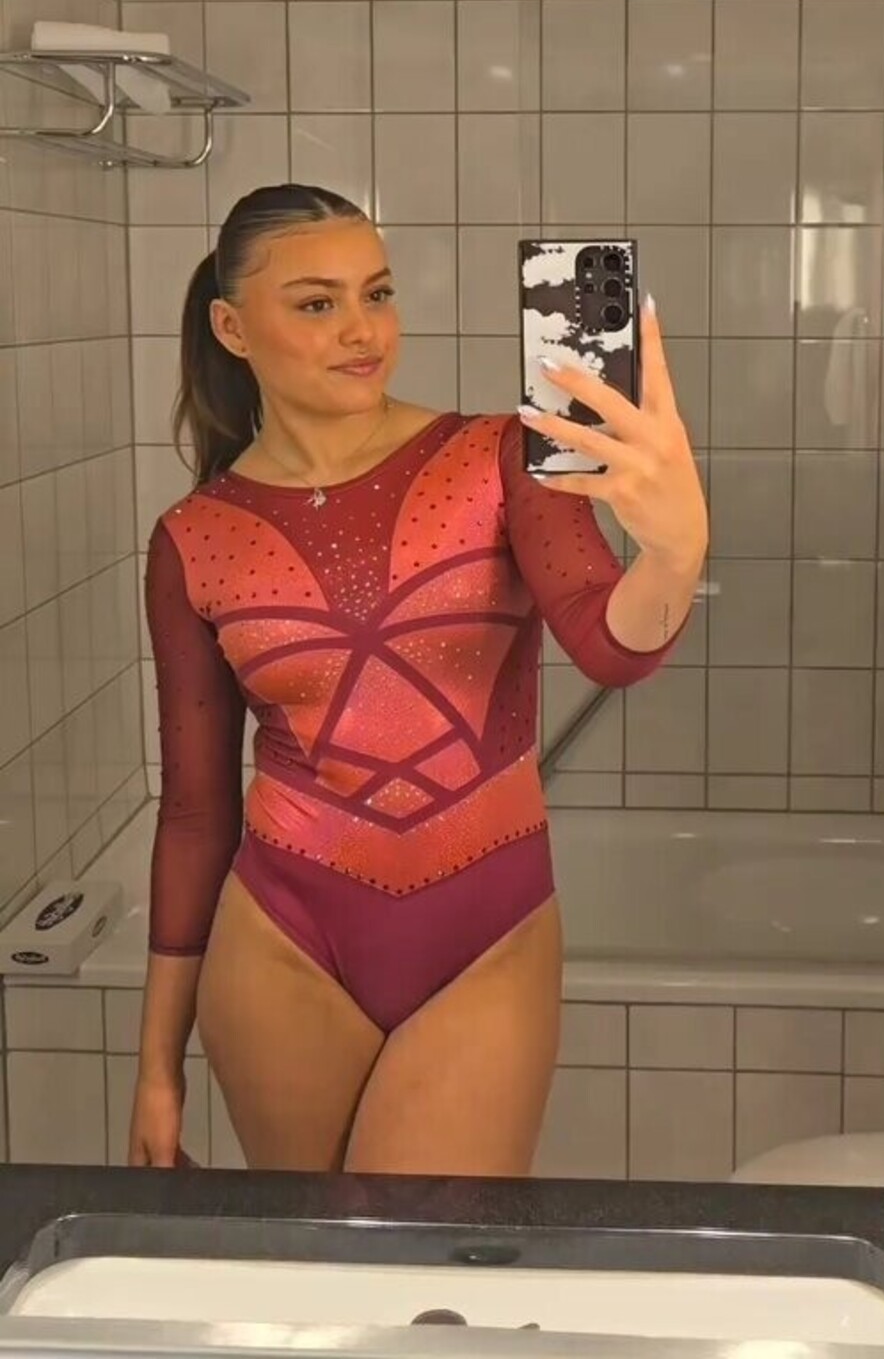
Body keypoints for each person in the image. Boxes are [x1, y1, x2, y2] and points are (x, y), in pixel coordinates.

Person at [128, 184, 708, 1175]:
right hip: (279, 944)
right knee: (322, 1260)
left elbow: (612, 649)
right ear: (232, 327)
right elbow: (194, 813)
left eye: (379, 292)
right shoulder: (193, 538)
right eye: (318, 303)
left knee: (431, 1260)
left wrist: (675, 552)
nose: (364, 330)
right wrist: (156, 1067)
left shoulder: (500, 456)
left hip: (487, 936)